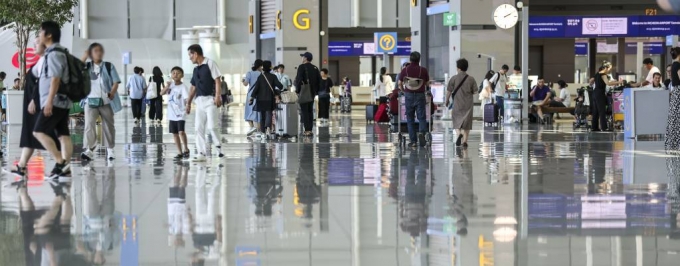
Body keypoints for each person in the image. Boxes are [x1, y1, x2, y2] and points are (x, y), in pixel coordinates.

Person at [6, 40, 61, 176]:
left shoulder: (46, 62)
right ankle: (21, 166)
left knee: (44, 134)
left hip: (37, 105)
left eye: (37, 43)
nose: (34, 46)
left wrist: (34, 100)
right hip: (33, 105)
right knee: (30, 135)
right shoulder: (41, 62)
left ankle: (61, 164)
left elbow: (44, 84)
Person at [31, 21, 74, 178]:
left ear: (48, 35)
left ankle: (61, 163)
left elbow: (55, 79)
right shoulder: (59, 51)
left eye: (40, 32)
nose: (39, 35)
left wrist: (49, 101)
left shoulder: (55, 53)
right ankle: (65, 169)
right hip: (62, 100)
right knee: (63, 135)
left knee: (38, 131)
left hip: (55, 100)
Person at [79, 42, 122, 161]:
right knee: (89, 126)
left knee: (108, 125)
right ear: (90, 53)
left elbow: (115, 82)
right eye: (95, 51)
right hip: (90, 101)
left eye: (100, 50)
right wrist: (84, 56)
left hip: (106, 101)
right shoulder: (86, 66)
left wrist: (112, 92)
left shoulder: (108, 66)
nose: (98, 53)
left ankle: (110, 149)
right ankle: (89, 149)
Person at [185, 44, 224, 162]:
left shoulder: (210, 63)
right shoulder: (196, 69)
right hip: (200, 101)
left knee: (212, 126)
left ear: (195, 54)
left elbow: (217, 80)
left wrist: (218, 96)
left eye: (190, 55)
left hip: (211, 100)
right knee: (198, 128)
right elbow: (193, 87)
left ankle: (218, 147)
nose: (189, 58)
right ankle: (201, 153)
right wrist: (188, 103)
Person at [399, 51, 431, 147]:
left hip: (408, 95)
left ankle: (413, 141)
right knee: (421, 117)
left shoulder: (405, 70)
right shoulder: (423, 70)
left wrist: (404, 91)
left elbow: (399, 84)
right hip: (420, 95)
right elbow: (427, 83)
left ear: (410, 59)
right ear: (419, 59)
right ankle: (422, 133)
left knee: (410, 118)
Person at [445, 58, 477, 148]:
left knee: (456, 120)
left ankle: (459, 134)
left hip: (457, 103)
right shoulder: (471, 79)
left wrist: (447, 100)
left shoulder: (454, 78)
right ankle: (465, 141)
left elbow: (449, 91)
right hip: (468, 104)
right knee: (467, 122)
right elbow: (475, 91)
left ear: (458, 68)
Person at [249, 60, 283, 139]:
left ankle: (263, 132)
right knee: (269, 114)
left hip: (260, 99)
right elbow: (280, 86)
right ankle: (268, 129)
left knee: (262, 116)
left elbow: (256, 88)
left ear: (263, 67)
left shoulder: (260, 77)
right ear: (270, 67)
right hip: (269, 99)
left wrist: (252, 97)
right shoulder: (273, 76)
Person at [162, 66, 190, 159]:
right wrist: (167, 86)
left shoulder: (183, 87)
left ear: (182, 75)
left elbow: (187, 99)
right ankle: (179, 152)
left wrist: (188, 106)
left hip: (180, 113)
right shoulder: (170, 85)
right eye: (173, 73)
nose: (175, 74)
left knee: (181, 132)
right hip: (171, 114)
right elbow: (161, 93)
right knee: (175, 134)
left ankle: (186, 148)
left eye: (178, 73)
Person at [295, 52, 321, 137]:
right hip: (312, 93)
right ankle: (309, 129)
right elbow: (319, 81)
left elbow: (298, 80)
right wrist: (315, 91)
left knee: (305, 111)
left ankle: (307, 130)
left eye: (302, 57)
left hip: (304, 91)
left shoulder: (301, 67)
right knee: (310, 110)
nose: (301, 58)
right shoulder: (315, 68)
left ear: (305, 58)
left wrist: (297, 90)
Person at [593, 62, 623, 132]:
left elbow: (594, 80)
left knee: (596, 111)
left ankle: (594, 127)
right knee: (602, 111)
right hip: (600, 93)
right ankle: (604, 127)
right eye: (609, 68)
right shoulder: (603, 74)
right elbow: (608, 83)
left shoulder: (597, 73)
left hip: (595, 93)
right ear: (606, 68)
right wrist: (619, 82)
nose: (609, 70)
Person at [242, 59, 263, 136]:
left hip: (250, 95)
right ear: (260, 66)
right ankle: (258, 130)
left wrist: (243, 81)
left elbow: (245, 83)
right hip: (259, 95)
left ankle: (252, 128)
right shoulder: (262, 74)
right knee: (258, 112)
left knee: (249, 112)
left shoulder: (249, 73)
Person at [667, 47, 680, 151]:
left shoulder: (673, 65)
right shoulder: (678, 65)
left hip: (676, 92)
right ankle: (676, 141)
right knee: (677, 117)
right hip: (679, 92)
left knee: (674, 117)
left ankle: (673, 141)